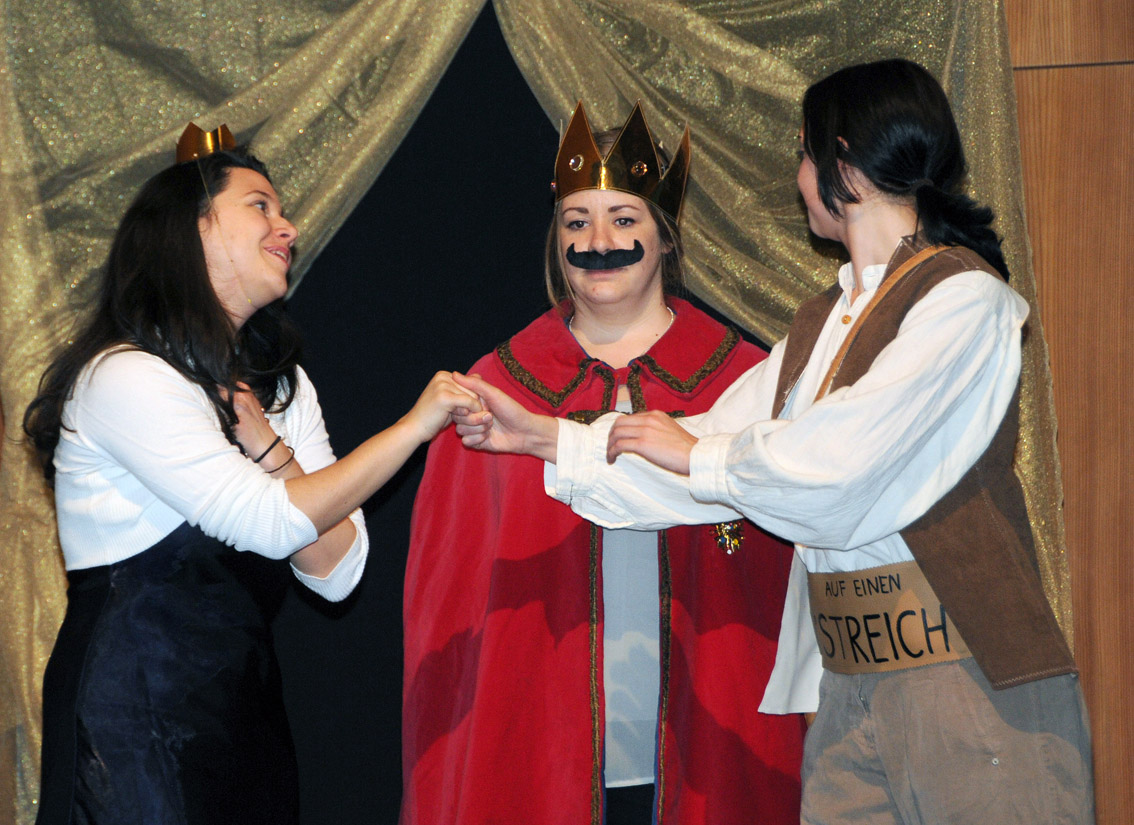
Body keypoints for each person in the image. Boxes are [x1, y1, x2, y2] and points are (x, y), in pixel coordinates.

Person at [453, 61, 1095, 825]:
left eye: (803, 153)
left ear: (842, 162)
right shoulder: (819, 325)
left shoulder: (963, 299)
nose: (797, 176)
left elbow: (837, 467)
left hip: (964, 675)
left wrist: (697, 455)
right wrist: (549, 439)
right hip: (850, 685)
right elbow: (709, 445)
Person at [23, 124, 478, 825]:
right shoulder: (124, 376)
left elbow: (337, 567)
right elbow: (268, 525)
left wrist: (267, 442)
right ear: (192, 229)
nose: (287, 227)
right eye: (260, 206)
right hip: (131, 720)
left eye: (282, 210)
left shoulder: (281, 386)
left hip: (238, 714)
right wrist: (413, 428)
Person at [401, 103, 804, 825]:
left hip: (714, 737)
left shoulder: (744, 385)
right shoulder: (494, 393)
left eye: (623, 219)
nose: (597, 242)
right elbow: (448, 600)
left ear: (665, 236)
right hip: (538, 742)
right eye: (576, 221)